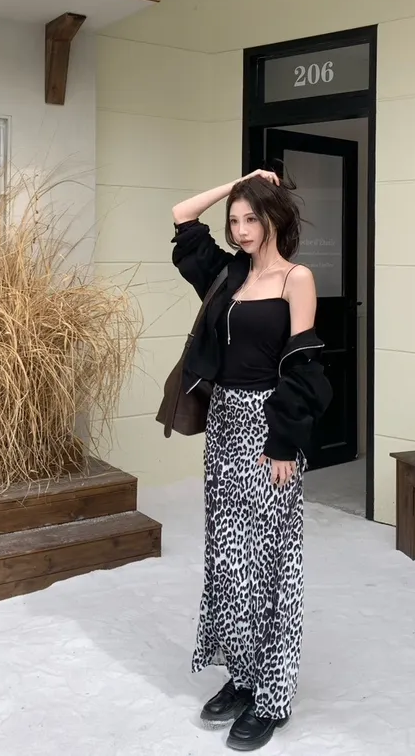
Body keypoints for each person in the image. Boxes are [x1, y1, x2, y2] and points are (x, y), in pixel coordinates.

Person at [171, 169, 332, 752]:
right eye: (234, 221)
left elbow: (303, 366)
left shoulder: (296, 278)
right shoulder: (229, 274)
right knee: (229, 558)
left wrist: (284, 443)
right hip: (224, 426)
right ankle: (241, 676)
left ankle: (272, 695)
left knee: (270, 564)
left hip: (270, 430)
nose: (240, 230)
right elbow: (182, 216)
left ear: (273, 219)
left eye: (251, 219)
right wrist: (240, 181)